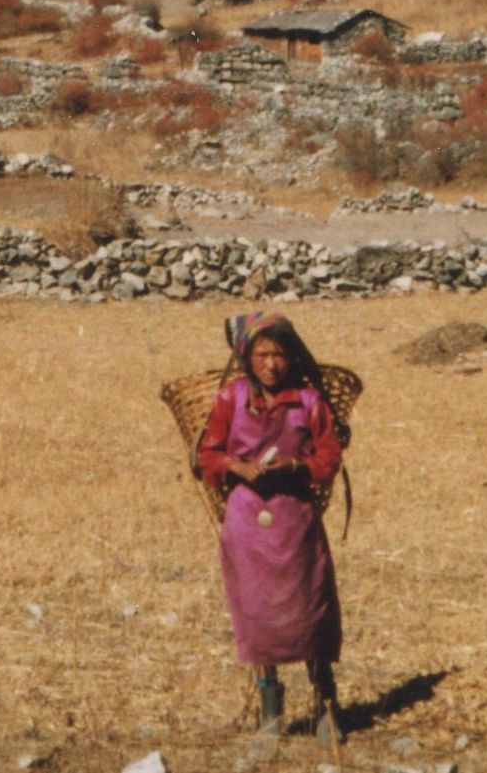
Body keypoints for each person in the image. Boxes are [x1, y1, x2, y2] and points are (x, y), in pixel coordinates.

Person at [195, 311, 344, 739]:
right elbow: (207, 454)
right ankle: (270, 713)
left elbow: (329, 457)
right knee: (259, 616)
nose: (272, 364)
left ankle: (325, 705)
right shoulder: (231, 398)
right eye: (262, 354)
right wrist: (235, 467)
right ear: (247, 357)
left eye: (279, 354)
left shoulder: (309, 402)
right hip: (247, 523)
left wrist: (298, 464)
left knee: (310, 609)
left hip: (295, 520)